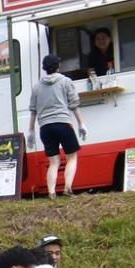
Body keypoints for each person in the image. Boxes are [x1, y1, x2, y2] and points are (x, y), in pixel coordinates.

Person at [27, 54, 87, 198]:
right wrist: (81, 123)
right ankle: (67, 188)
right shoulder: (66, 81)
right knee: (72, 157)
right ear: (58, 67)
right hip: (63, 124)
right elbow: (74, 105)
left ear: (44, 69)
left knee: (54, 161)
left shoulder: (36, 87)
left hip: (45, 128)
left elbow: (33, 111)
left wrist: (30, 131)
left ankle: (52, 193)